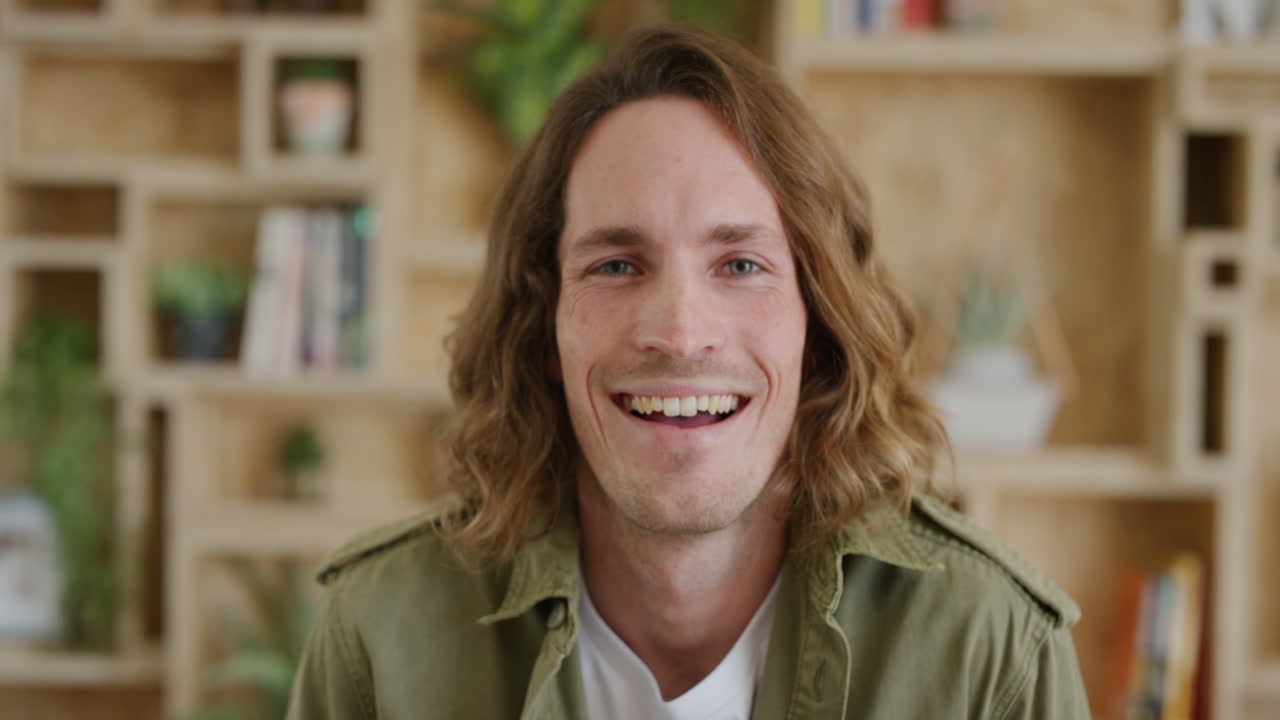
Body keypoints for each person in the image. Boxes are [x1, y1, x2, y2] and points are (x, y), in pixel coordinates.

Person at [286, 24, 1089, 720]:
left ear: (819, 326)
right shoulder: (378, 641)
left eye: (740, 263)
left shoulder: (994, 654)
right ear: (543, 327)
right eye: (616, 265)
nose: (677, 331)